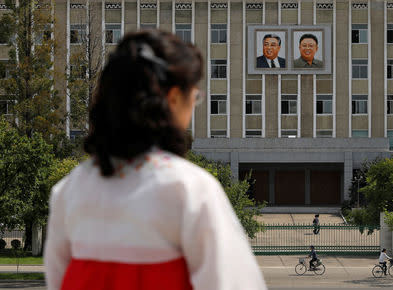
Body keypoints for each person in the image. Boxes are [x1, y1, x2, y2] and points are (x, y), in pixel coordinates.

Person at [44, 30, 267, 290]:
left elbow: (58, 280)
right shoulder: (189, 190)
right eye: (194, 97)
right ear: (172, 98)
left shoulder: (70, 190)